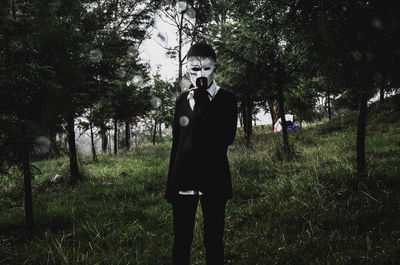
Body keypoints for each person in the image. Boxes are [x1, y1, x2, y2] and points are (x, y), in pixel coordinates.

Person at [165, 42, 238, 265]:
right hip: (184, 177)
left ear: (215, 67)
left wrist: (203, 103)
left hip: (214, 177)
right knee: (182, 241)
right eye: (194, 69)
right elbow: (177, 144)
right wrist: (171, 184)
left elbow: (226, 138)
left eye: (206, 68)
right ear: (187, 69)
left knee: (213, 240)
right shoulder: (181, 101)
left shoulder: (227, 99)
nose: (200, 74)